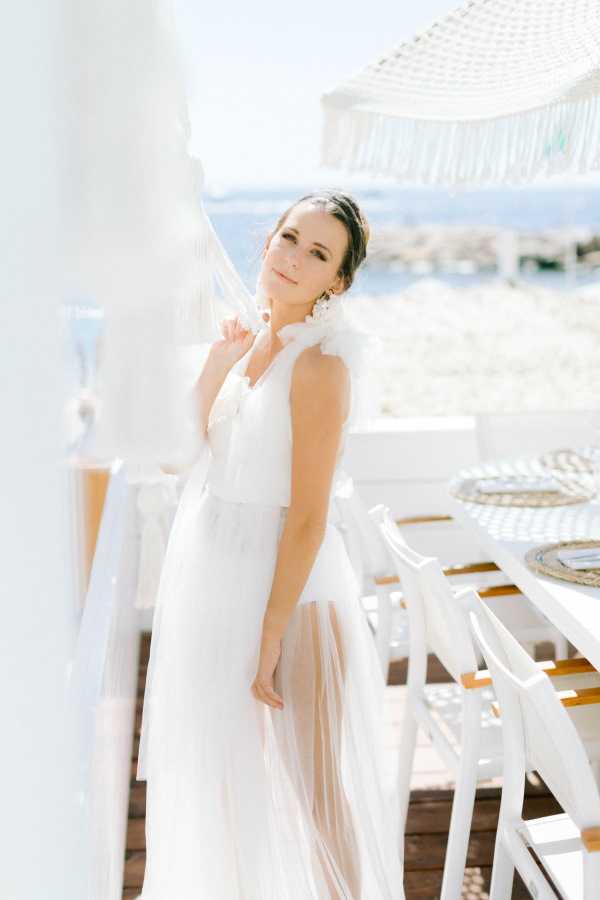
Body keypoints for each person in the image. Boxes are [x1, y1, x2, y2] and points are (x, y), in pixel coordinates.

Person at [135, 190, 405, 899]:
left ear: (335, 283)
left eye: (317, 254)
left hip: (293, 600)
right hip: (216, 589)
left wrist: (271, 630)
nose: (292, 258)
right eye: (288, 238)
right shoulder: (250, 340)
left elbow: (310, 517)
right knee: (223, 785)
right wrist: (218, 362)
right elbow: (175, 459)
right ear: (266, 242)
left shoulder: (320, 368)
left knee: (315, 796)